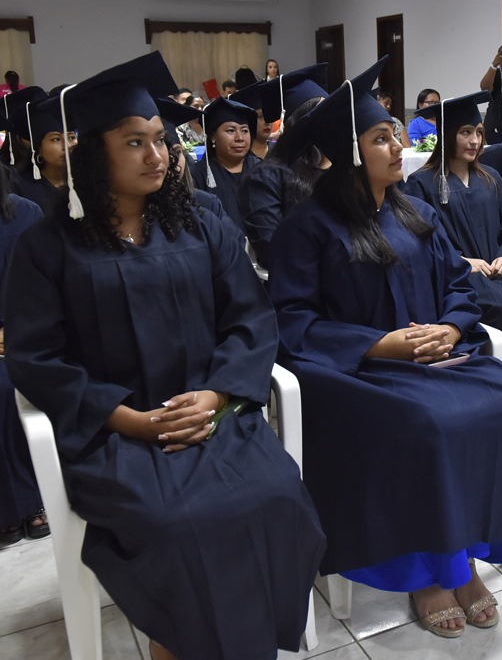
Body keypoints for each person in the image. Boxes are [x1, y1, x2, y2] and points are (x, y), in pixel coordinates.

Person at [3, 52, 324, 660]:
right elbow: (35, 356)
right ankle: (175, 646)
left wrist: (218, 394)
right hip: (114, 436)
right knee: (179, 525)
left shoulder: (201, 225)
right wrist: (127, 418)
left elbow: (251, 318)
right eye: (134, 142)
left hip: (215, 418)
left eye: (160, 139)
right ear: (93, 154)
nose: (157, 155)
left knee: (278, 498)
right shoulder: (47, 246)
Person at [269, 58, 502, 637]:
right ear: (349, 152)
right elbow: (291, 322)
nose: (399, 147)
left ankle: (465, 554)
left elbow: (458, 287)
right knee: (427, 427)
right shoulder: (306, 228)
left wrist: (451, 329)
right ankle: (430, 573)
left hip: (435, 359)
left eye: (395, 133)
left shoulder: (416, 213)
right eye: (381, 138)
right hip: (357, 374)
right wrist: (378, 345)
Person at [404, 92, 502, 395]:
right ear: (447, 136)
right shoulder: (420, 183)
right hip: (456, 277)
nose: (475, 141)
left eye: (478, 132)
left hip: (497, 271)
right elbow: (417, 240)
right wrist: (462, 261)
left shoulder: (490, 178)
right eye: (465, 132)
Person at [239, 65, 332, 269]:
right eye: (326, 115)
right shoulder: (265, 177)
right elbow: (274, 249)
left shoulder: (344, 168)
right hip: (303, 279)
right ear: (301, 125)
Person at [0, 168, 47, 548]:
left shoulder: (25, 213)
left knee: (16, 385)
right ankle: (9, 507)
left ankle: (34, 498)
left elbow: (44, 285)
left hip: (25, 331)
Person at [190, 97, 259, 229]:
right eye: (230, 131)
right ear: (213, 135)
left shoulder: (262, 169)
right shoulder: (198, 174)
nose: (239, 138)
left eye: (244, 130)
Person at [7, 93, 77, 215]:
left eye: (71, 138)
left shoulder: (88, 180)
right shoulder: (18, 188)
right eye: (56, 139)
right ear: (38, 149)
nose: (67, 146)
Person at [230, 81, 274, 159]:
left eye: (269, 115)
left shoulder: (278, 151)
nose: (267, 122)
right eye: (260, 116)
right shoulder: (240, 156)